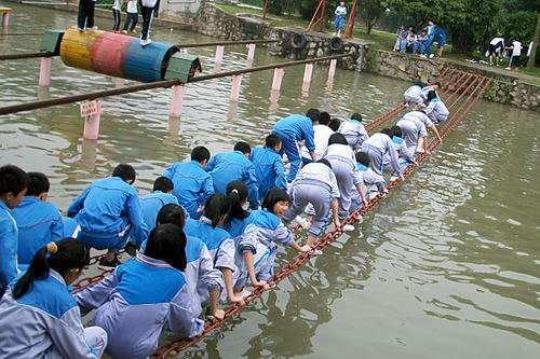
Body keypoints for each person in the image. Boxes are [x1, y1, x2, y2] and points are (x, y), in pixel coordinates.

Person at [75, 225, 203, 359]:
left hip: (101, 332)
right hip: (133, 351)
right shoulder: (177, 280)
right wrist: (198, 327)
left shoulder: (127, 267)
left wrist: (67, 305)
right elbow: (183, 323)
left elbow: (92, 295)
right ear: (179, 251)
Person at [0, 238, 108, 358]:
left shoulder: (23, 276)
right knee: (98, 335)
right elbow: (79, 354)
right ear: (74, 270)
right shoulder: (63, 302)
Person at [67, 164, 149, 268]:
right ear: (130, 180)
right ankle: (111, 256)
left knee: (85, 215)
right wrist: (143, 248)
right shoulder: (129, 191)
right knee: (131, 219)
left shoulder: (96, 184)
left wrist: (73, 230)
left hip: (81, 234)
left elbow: (72, 209)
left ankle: (84, 252)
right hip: (107, 238)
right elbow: (139, 224)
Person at [155, 204, 224, 320]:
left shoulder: (147, 245)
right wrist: (214, 310)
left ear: (158, 224)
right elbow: (213, 280)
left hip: (156, 315)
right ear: (184, 224)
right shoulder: (198, 246)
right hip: (188, 314)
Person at [237, 189, 310, 291]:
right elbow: (287, 239)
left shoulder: (253, 212)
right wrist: (301, 249)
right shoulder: (275, 222)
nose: (285, 208)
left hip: (240, 251)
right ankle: (263, 278)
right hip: (253, 255)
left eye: (286, 205)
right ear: (272, 202)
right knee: (272, 248)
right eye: (281, 204)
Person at [184, 194, 245, 306]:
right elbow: (225, 266)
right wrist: (231, 295)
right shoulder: (224, 238)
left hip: (179, 286)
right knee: (236, 270)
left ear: (203, 208)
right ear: (224, 216)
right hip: (201, 293)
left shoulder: (186, 224)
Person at [282, 160, 341, 247]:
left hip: (300, 186)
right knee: (320, 219)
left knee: (293, 209)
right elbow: (334, 198)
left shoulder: (308, 166)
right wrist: (336, 219)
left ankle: (278, 227)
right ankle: (307, 247)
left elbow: (294, 184)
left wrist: (288, 204)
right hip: (321, 189)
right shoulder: (329, 172)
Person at [12, 172, 63, 265]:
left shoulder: (7, 207)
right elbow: (58, 242)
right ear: (43, 195)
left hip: (9, 266)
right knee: (69, 224)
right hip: (38, 267)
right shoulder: (51, 210)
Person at [324, 133, 366, 227]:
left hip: (330, 163)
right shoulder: (349, 150)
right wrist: (363, 196)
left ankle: (313, 216)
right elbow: (356, 176)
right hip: (346, 167)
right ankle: (341, 221)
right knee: (345, 195)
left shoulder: (329, 147)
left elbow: (321, 162)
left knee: (324, 190)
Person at [163, 146, 214, 220]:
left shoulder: (177, 165)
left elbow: (165, 177)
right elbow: (210, 194)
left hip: (169, 204)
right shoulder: (206, 176)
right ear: (204, 161)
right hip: (189, 213)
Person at [0, 165, 29, 296]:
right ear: (10, 195)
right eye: (22, 195)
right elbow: (6, 268)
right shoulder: (6, 222)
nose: (22, 200)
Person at [207, 141, 259, 210]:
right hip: (228, 197)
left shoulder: (219, 155)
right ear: (247, 154)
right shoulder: (249, 164)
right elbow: (252, 188)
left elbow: (204, 169)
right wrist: (254, 206)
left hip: (210, 192)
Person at [272, 109, 320, 182]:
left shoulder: (298, 117)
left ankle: (274, 175)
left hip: (276, 129)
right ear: (317, 121)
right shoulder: (309, 124)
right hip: (288, 133)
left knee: (278, 156)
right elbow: (311, 147)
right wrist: (317, 163)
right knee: (297, 160)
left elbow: (298, 142)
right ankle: (289, 181)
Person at [137, 177, 179, 247]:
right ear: (170, 191)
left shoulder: (141, 198)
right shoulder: (170, 197)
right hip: (152, 242)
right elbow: (183, 217)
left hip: (133, 239)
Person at [251, 134, 286, 202]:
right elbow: (280, 174)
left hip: (252, 185)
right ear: (276, 146)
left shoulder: (256, 150)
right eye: (280, 145)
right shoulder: (276, 157)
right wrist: (279, 190)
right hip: (265, 189)